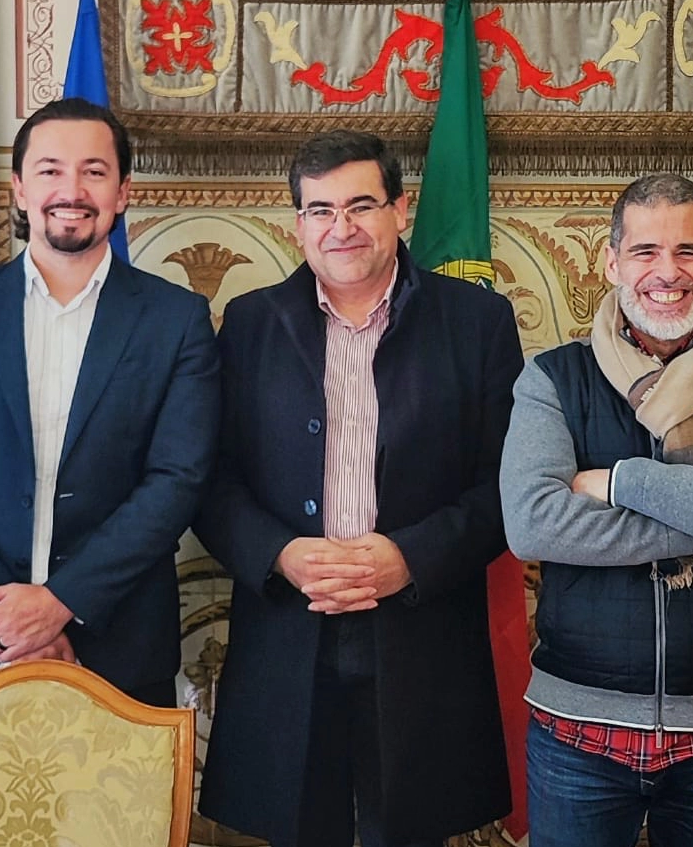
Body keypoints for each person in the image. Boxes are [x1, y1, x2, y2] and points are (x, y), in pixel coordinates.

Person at [193, 129, 522, 847]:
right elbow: (209, 480)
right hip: (287, 630)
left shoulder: (477, 323)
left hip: (420, 629)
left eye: (361, 205)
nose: (340, 228)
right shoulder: (247, 325)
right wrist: (281, 553)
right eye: (320, 211)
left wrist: (409, 556)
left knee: (406, 829)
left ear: (401, 211)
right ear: (297, 225)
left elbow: (509, 485)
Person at [499, 173, 693, 847]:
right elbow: (533, 523)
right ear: (612, 262)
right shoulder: (553, 378)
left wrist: (616, 481)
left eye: (686, 252)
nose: (666, 274)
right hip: (576, 727)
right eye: (644, 252)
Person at [0, 97, 219, 707]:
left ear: (122, 191)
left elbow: (177, 479)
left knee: (126, 809)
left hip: (119, 644)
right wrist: (11, 621)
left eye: (94, 171)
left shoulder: (177, 320)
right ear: (18, 189)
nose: (72, 189)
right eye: (50, 170)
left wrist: (62, 602)